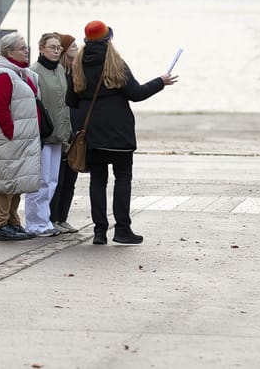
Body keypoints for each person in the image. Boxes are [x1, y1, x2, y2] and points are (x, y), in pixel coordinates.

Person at [67, 20, 177, 246]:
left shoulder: (78, 65)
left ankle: (99, 232)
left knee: (97, 180)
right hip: (119, 133)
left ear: (86, 41)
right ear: (109, 40)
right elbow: (136, 94)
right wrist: (160, 82)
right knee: (122, 178)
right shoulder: (116, 64)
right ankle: (122, 230)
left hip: (92, 134)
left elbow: (71, 100)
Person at [0, 32, 44, 241]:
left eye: (26, 47)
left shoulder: (24, 73)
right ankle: (2, 225)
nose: (26, 50)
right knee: (6, 183)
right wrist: (11, 133)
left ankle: (13, 221)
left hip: (25, 139)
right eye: (22, 48)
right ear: (9, 52)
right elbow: (0, 108)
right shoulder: (4, 75)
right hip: (10, 140)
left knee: (18, 182)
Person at [26, 33, 71, 237]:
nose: (56, 51)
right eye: (52, 47)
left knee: (52, 180)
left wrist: (66, 133)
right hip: (42, 135)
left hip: (58, 135)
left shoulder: (60, 69)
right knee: (40, 181)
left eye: (58, 47)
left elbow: (64, 104)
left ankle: (45, 220)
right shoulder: (34, 72)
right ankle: (35, 222)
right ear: (41, 48)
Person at [49, 34, 81, 233]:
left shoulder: (77, 72)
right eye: (73, 46)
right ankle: (52, 218)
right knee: (57, 180)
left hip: (76, 133)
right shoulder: (59, 74)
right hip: (61, 132)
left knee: (71, 179)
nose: (77, 49)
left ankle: (63, 218)